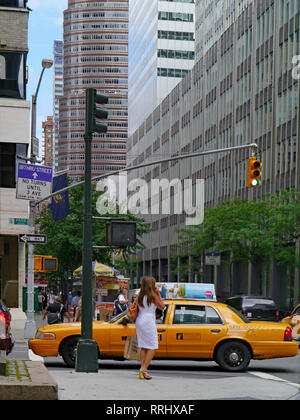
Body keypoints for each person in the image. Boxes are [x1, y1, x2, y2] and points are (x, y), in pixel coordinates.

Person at [135, 276, 165, 380]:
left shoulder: (139, 295)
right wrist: (158, 294)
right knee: (152, 347)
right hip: (148, 321)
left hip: (139, 320)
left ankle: (143, 371)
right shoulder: (152, 296)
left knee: (144, 346)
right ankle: (143, 369)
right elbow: (162, 306)